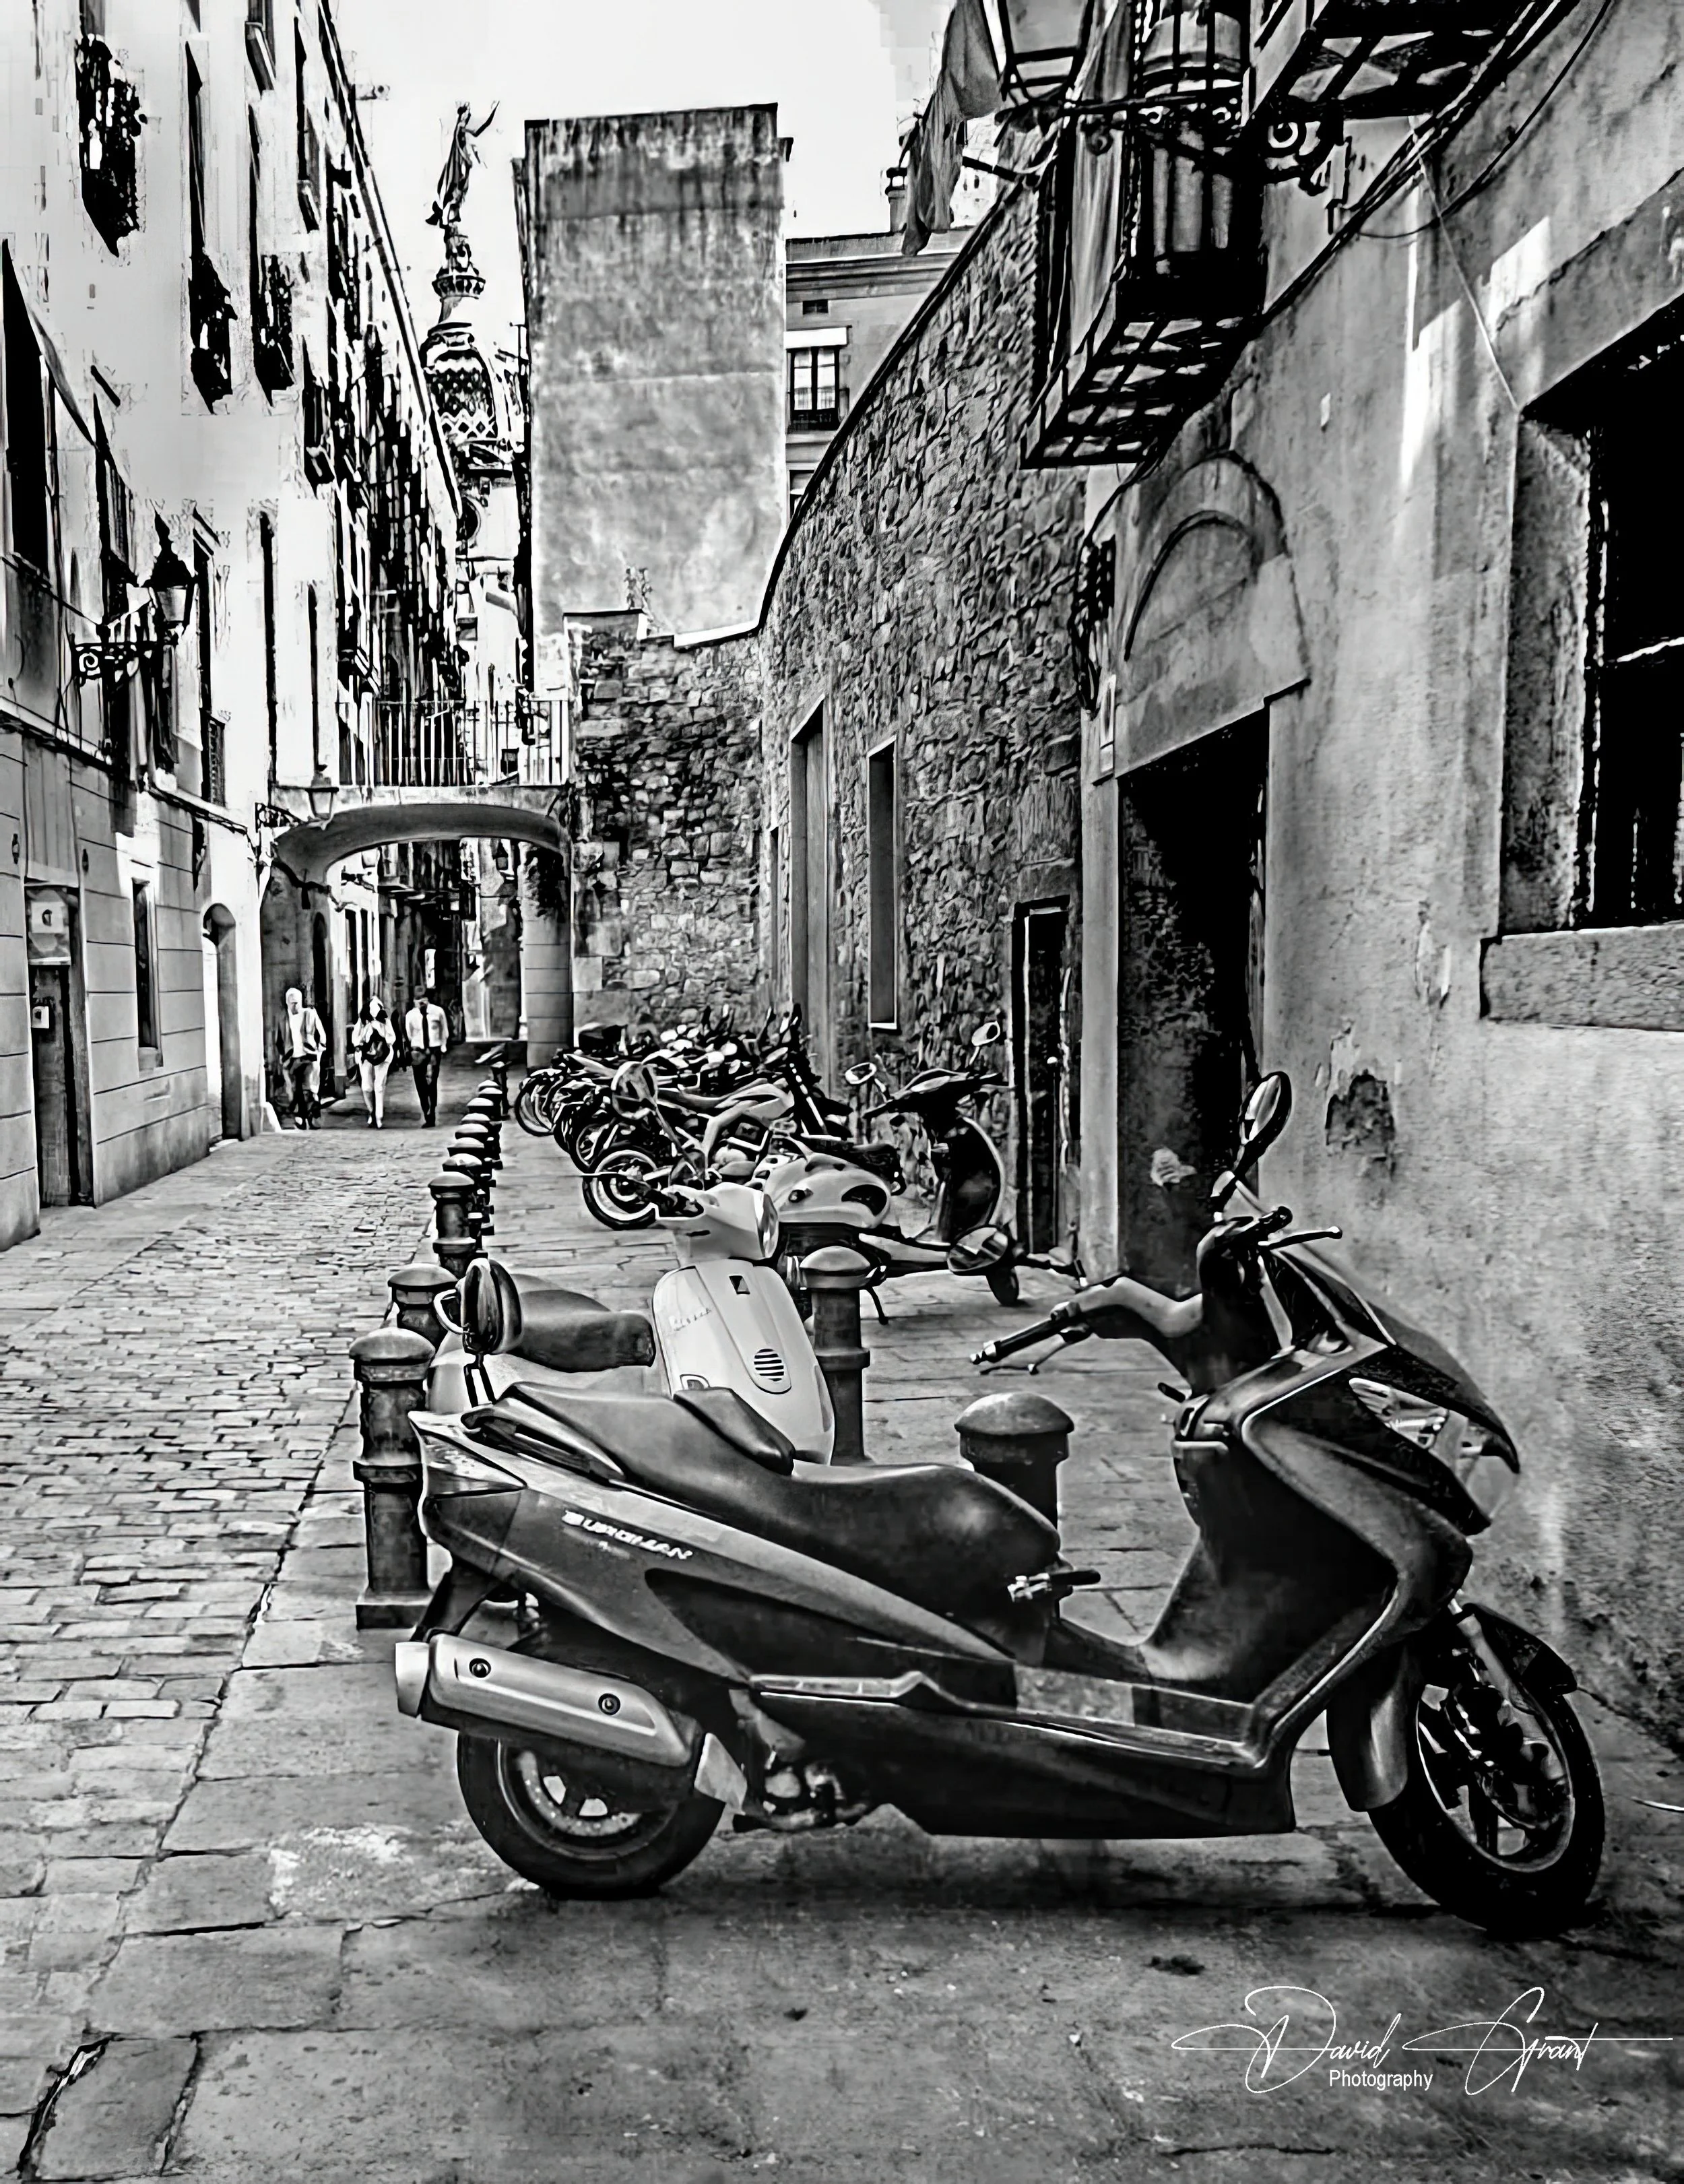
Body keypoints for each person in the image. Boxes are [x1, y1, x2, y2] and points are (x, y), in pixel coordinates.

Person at [276, 986, 327, 1130]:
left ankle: (313, 1116)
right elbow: (278, 1040)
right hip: (291, 1059)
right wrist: (282, 1056)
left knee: (308, 1089)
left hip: (308, 1057)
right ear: (287, 1003)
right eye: (292, 1003)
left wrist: (320, 1047)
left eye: (297, 1002)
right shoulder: (283, 1018)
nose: (295, 1005)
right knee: (294, 1090)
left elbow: (321, 1033)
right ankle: (301, 1118)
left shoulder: (309, 1014)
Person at [404, 987, 449, 1126]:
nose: (421, 1003)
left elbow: (445, 1031)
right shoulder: (410, 1016)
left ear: (427, 1000)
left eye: (423, 1000)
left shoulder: (438, 1012)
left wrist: (442, 1047)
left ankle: (432, 1112)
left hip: (434, 1050)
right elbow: (409, 1034)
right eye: (418, 1000)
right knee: (420, 1083)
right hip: (418, 1051)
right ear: (414, 1002)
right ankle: (426, 1110)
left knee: (432, 1081)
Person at [350, 994, 397, 1130]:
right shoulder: (363, 1020)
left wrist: (378, 1027)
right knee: (367, 1086)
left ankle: (379, 1116)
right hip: (366, 1056)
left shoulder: (384, 1020)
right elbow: (355, 1038)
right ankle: (371, 1111)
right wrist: (363, 1039)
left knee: (379, 1086)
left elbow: (391, 1037)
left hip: (383, 1057)